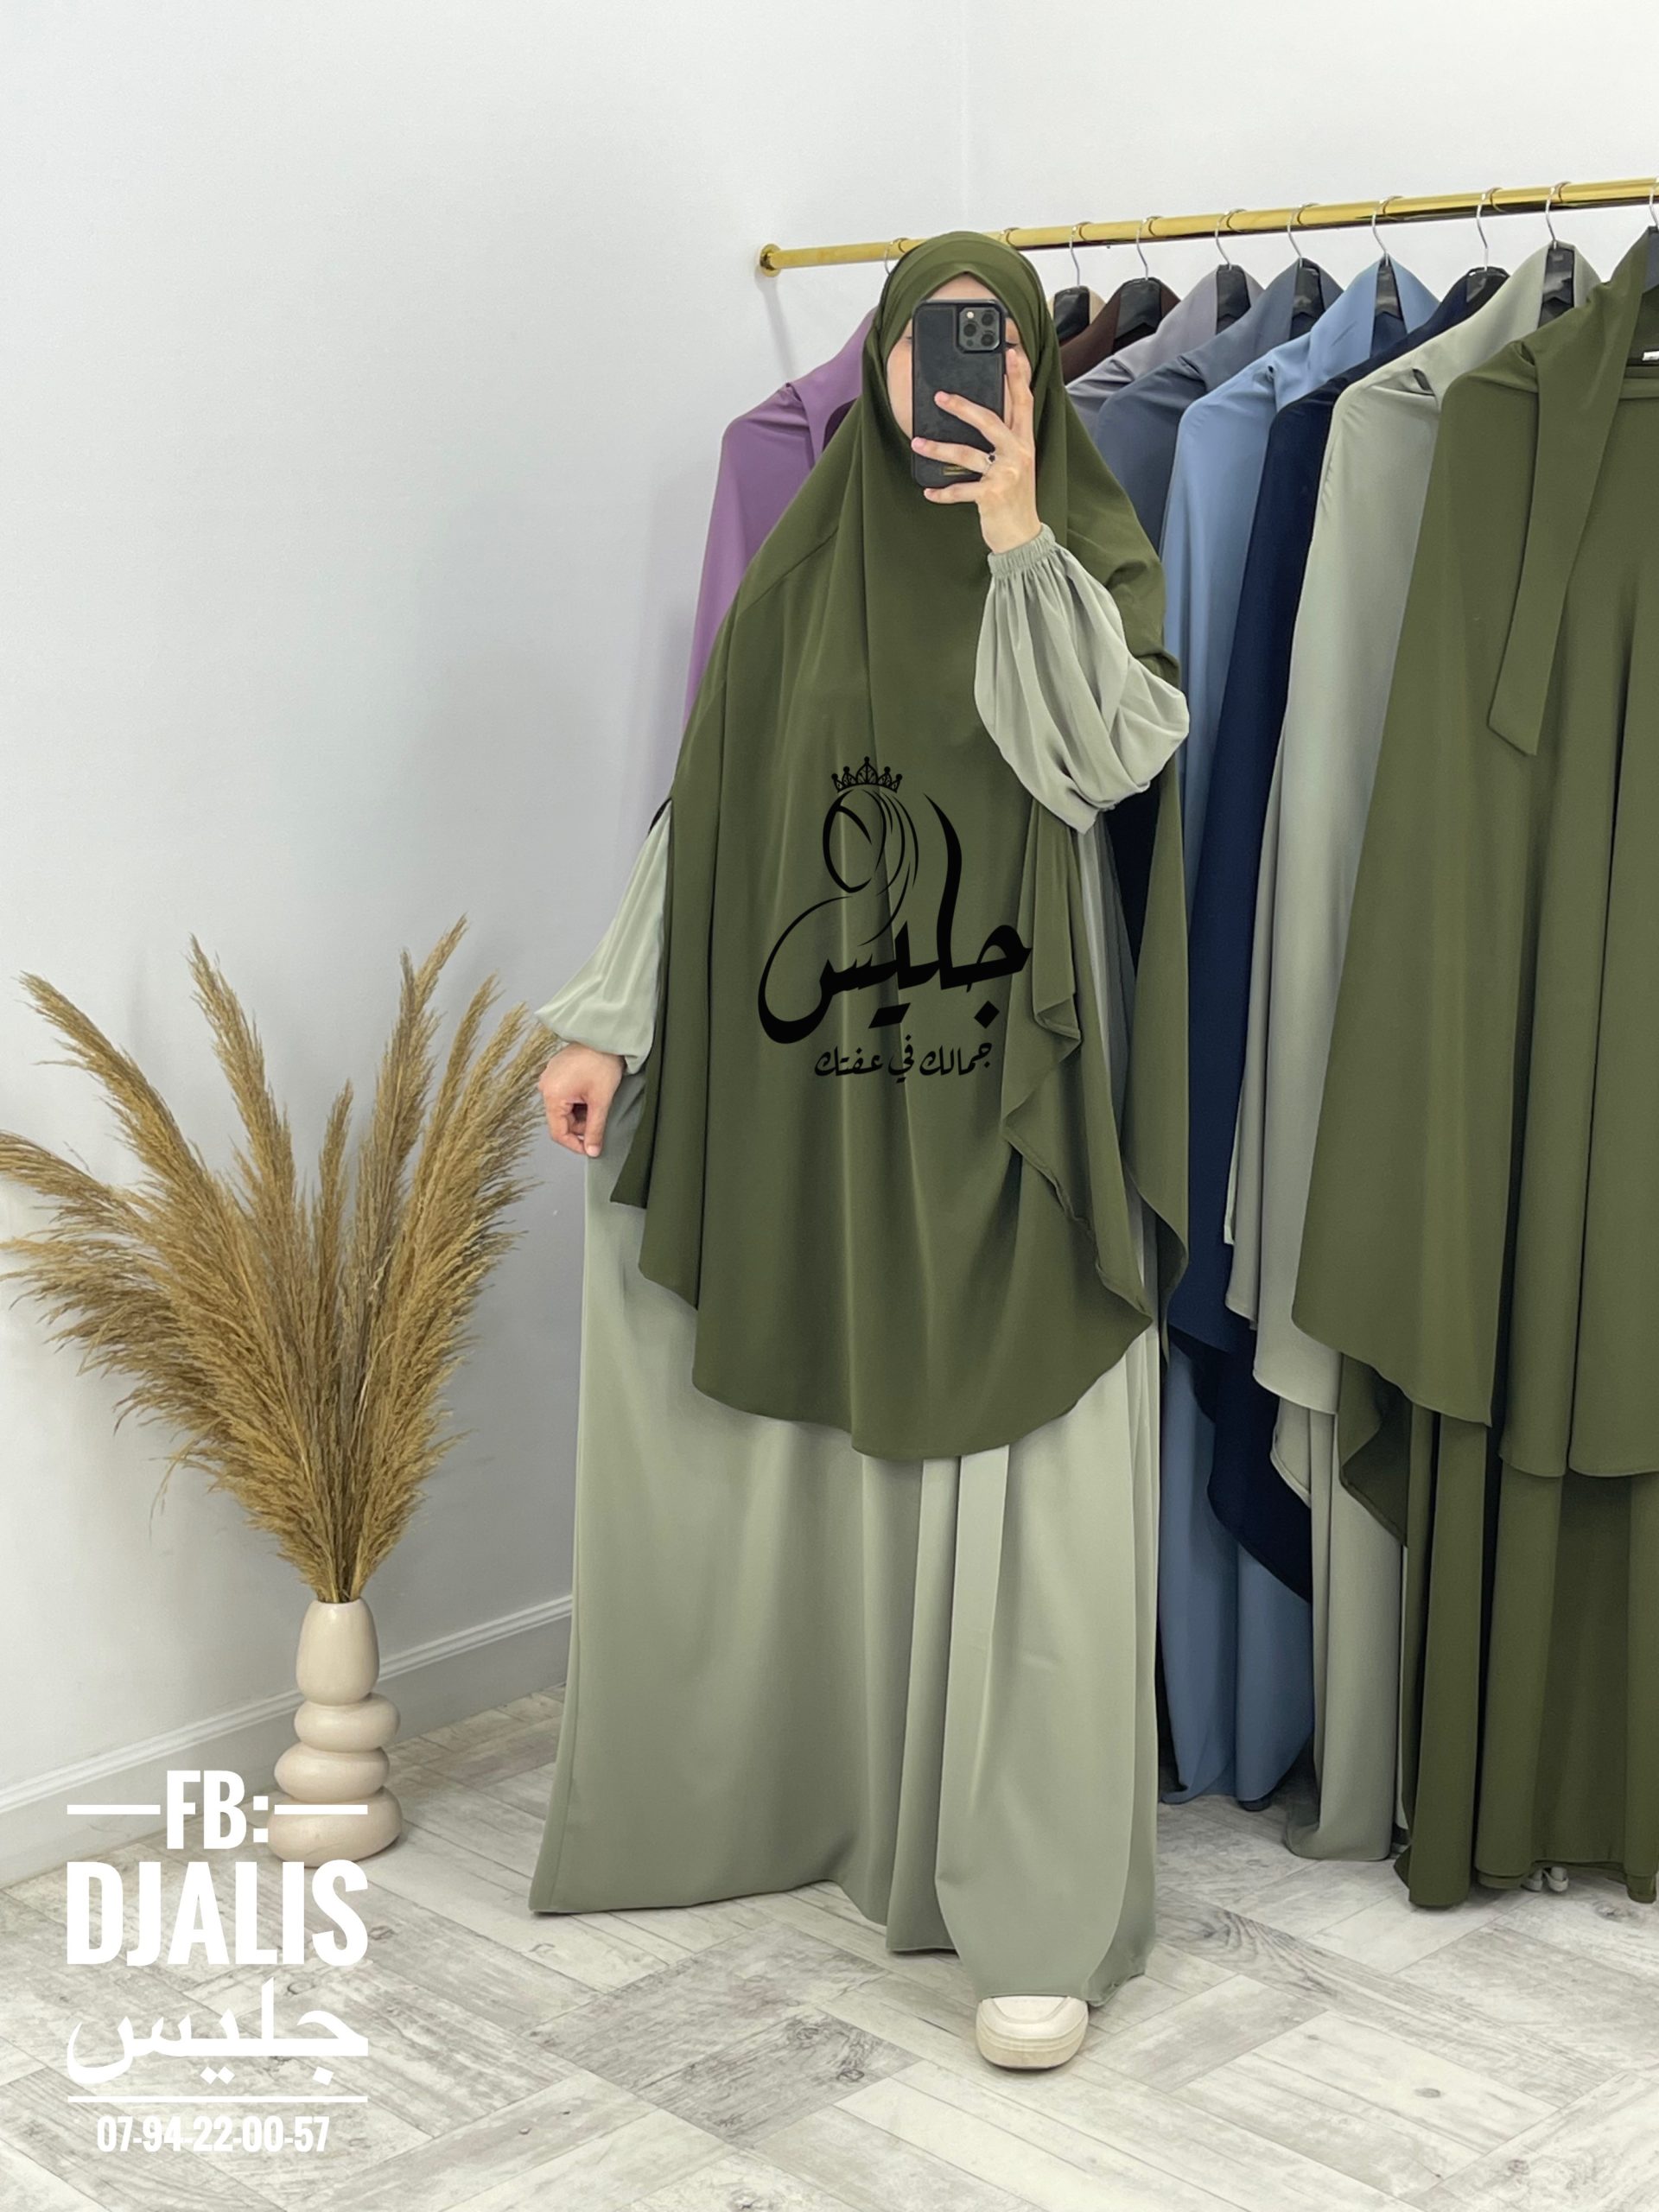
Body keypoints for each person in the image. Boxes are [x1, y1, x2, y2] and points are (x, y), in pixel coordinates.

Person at [530, 232, 1190, 2073]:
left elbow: (1109, 752)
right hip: (823, 1067)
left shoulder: (1086, 544)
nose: (954, 373)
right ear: (881, 357)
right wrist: (609, 1017)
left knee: (1034, 1456)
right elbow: (714, 809)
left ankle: (1032, 1901)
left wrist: (1018, 538)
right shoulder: (804, 563)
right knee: (821, 1442)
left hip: (1009, 1079)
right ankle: (811, 1805)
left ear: (1033, 366)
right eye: (926, 341)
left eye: (992, 342)